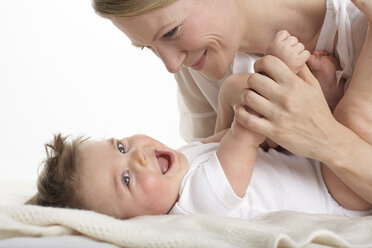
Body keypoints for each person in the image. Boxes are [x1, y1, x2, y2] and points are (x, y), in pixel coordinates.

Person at [91, 0, 372, 206]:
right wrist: (231, 92)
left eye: (170, 32)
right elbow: (215, 171)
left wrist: (326, 136)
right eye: (147, 47)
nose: (172, 65)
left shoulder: (358, 23)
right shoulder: (198, 69)